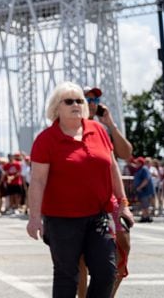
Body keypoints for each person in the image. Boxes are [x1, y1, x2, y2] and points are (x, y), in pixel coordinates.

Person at [27, 82, 134, 298]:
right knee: (68, 276)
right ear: (57, 107)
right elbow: (37, 181)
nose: (76, 104)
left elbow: (113, 167)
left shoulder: (99, 130)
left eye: (80, 101)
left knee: (106, 271)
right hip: (62, 219)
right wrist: (34, 217)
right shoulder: (46, 139)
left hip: (98, 214)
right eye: (69, 101)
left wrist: (123, 204)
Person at [80, 85, 134, 298]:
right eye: (86, 99)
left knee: (124, 243)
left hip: (107, 200)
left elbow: (126, 153)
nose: (91, 103)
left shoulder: (102, 130)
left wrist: (110, 123)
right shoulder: (69, 126)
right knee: (80, 259)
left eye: (94, 100)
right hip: (80, 199)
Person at [132, 157, 154, 222]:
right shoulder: (139, 169)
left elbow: (146, 179)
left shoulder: (144, 169)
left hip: (145, 190)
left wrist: (139, 187)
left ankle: (145, 217)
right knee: (143, 204)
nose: (136, 163)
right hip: (142, 190)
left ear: (140, 163)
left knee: (145, 204)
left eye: (137, 162)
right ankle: (146, 217)